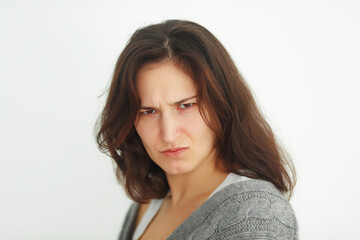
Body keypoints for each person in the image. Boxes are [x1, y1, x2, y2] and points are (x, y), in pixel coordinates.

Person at [95, 19, 298, 240]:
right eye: (148, 111)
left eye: (186, 105)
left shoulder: (257, 214)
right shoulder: (146, 206)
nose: (168, 134)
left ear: (222, 104)